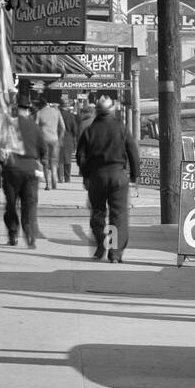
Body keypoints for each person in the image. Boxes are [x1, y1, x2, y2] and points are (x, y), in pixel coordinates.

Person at [76, 94, 140, 262]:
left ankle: (100, 244)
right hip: (118, 175)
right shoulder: (121, 127)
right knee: (118, 215)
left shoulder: (89, 130)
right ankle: (115, 252)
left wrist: (86, 175)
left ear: (97, 111)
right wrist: (135, 175)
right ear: (112, 110)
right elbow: (132, 151)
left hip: (97, 177)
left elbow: (80, 156)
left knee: (97, 213)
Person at [0, 98, 46, 247]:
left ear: (15, 109)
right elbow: (43, 149)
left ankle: (13, 234)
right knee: (29, 203)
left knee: (11, 204)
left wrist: (2, 164)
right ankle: (30, 234)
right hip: (30, 170)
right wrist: (38, 160)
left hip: (11, 170)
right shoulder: (35, 127)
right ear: (28, 111)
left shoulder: (7, 126)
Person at [35, 97, 65, 190]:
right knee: (54, 161)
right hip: (54, 139)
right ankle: (54, 180)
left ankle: (48, 184)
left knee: (45, 162)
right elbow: (63, 128)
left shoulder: (39, 113)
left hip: (43, 140)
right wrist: (60, 139)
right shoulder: (56, 112)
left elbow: (35, 128)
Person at [58, 100, 80, 183]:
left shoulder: (57, 114)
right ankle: (67, 178)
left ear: (60, 106)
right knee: (67, 160)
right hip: (68, 139)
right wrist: (74, 137)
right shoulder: (71, 116)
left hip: (58, 138)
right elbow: (74, 129)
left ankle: (60, 178)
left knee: (59, 159)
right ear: (67, 107)